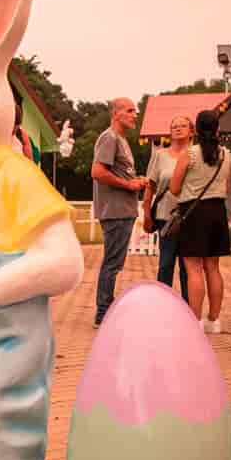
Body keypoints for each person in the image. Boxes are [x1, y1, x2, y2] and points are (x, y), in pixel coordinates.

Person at [170, 110, 231, 331]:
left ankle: (194, 320)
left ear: (196, 130)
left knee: (194, 269)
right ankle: (214, 319)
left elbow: (174, 188)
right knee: (213, 268)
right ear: (218, 129)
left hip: (194, 212)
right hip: (218, 211)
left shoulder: (190, 154)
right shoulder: (226, 154)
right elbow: (226, 186)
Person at [91, 98, 148, 327]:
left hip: (123, 210)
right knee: (112, 263)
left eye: (135, 110)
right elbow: (97, 171)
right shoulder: (110, 138)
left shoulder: (121, 140)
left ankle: (106, 308)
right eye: (130, 110)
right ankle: (103, 313)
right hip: (114, 211)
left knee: (114, 263)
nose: (135, 114)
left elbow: (117, 173)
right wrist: (129, 185)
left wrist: (135, 180)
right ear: (115, 114)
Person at [142, 115, 189, 299]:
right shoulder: (160, 155)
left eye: (182, 126)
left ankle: (188, 308)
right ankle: (163, 303)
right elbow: (150, 186)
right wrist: (147, 215)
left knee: (188, 267)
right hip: (164, 217)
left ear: (191, 130)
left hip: (189, 217)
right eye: (174, 126)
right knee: (165, 264)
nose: (178, 129)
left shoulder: (195, 154)